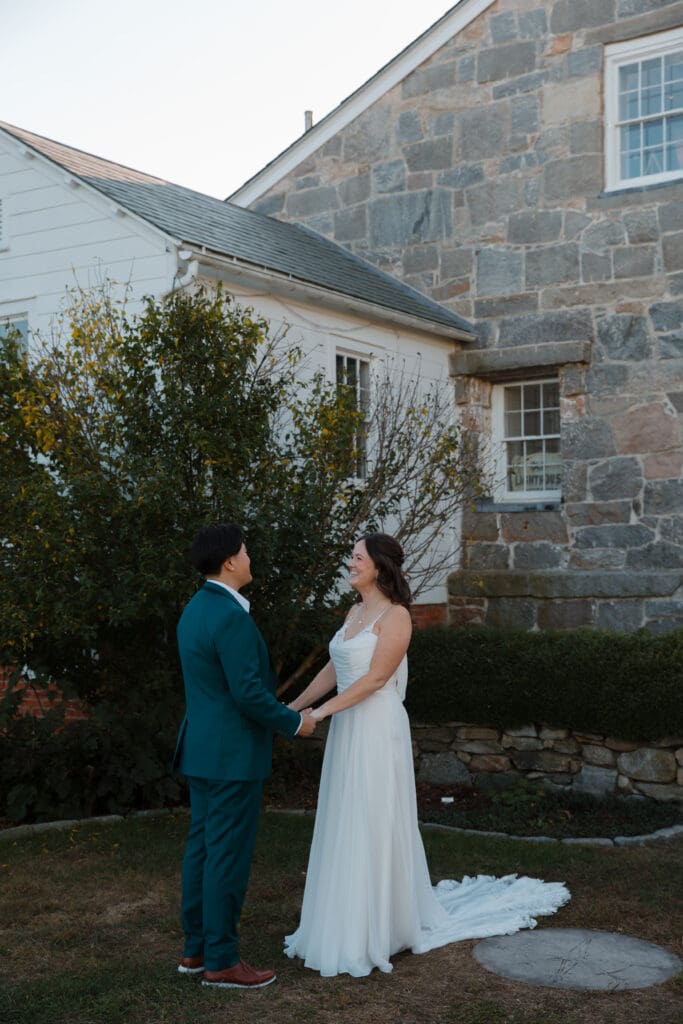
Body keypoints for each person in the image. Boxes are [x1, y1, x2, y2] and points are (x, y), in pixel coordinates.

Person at [284, 533, 570, 978]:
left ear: (379, 566)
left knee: (374, 819)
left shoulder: (397, 616)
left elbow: (376, 680)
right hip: (349, 729)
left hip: (376, 729)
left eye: (357, 558)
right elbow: (334, 667)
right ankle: (342, 921)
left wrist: (319, 713)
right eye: (352, 557)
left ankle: (378, 928)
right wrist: (297, 705)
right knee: (347, 817)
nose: (351, 563)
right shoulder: (354, 612)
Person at [173, 523, 316, 990]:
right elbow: (249, 694)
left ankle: (195, 951)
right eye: (246, 551)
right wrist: (295, 723)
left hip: (201, 751)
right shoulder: (230, 616)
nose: (251, 558)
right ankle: (222, 961)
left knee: (202, 851)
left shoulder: (195, 609)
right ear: (230, 560)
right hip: (232, 756)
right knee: (226, 858)